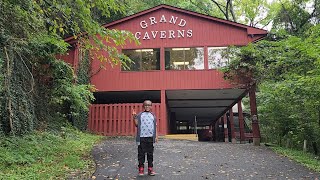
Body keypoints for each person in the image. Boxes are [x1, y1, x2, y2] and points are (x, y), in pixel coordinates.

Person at [132, 100, 158, 176]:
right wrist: (134, 117)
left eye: (149, 105)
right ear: (143, 106)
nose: (147, 106)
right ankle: (141, 169)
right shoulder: (140, 115)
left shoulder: (153, 115)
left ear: (151, 106)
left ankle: (150, 169)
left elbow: (155, 127)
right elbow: (136, 125)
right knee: (141, 154)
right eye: (145, 105)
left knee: (150, 154)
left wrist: (156, 136)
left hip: (150, 138)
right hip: (141, 137)